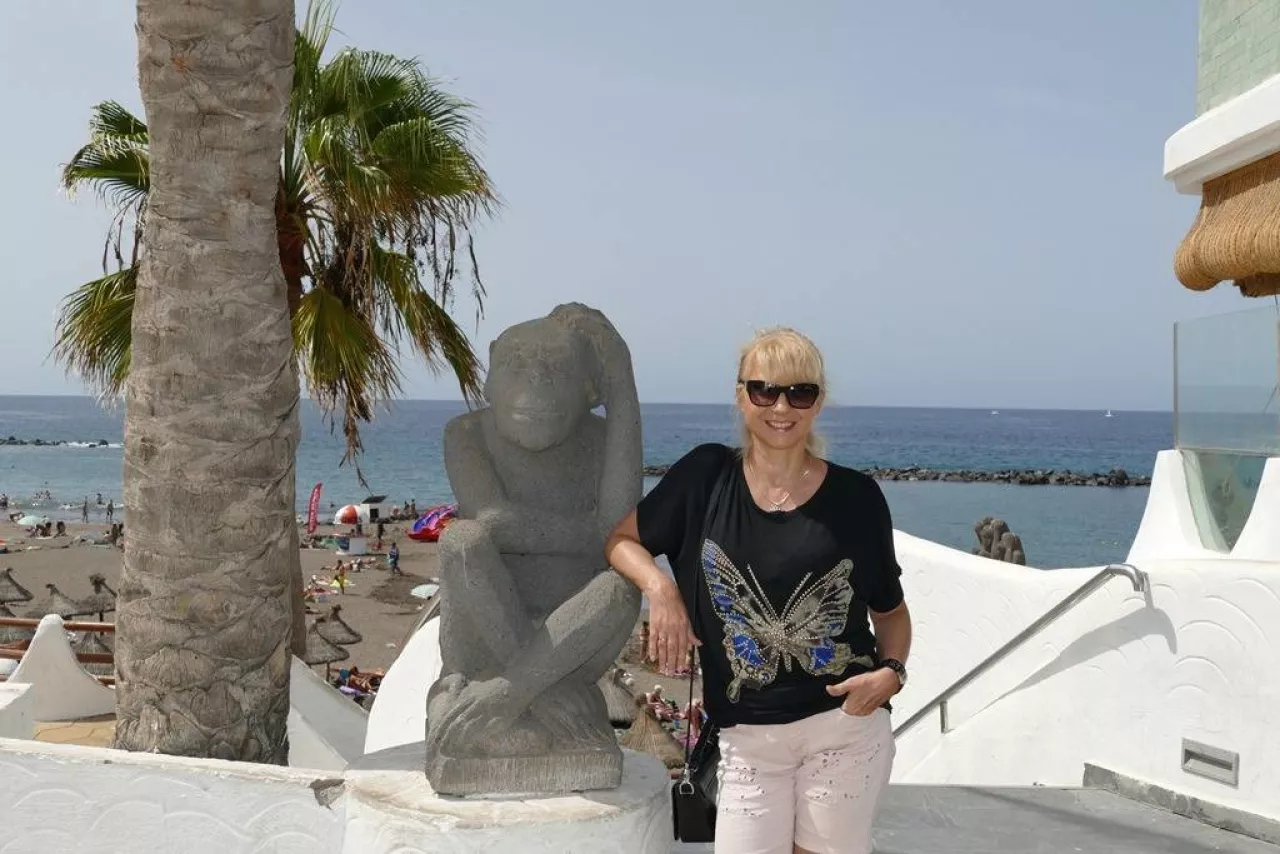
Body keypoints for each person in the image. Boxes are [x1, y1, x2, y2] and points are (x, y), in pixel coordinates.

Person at [605, 327, 912, 854]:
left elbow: (891, 613)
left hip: (843, 725)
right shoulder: (705, 477)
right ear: (741, 396)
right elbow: (621, 541)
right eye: (764, 390)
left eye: (800, 392)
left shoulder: (857, 498)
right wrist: (662, 589)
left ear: (818, 402)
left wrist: (893, 673)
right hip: (746, 736)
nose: (781, 407)